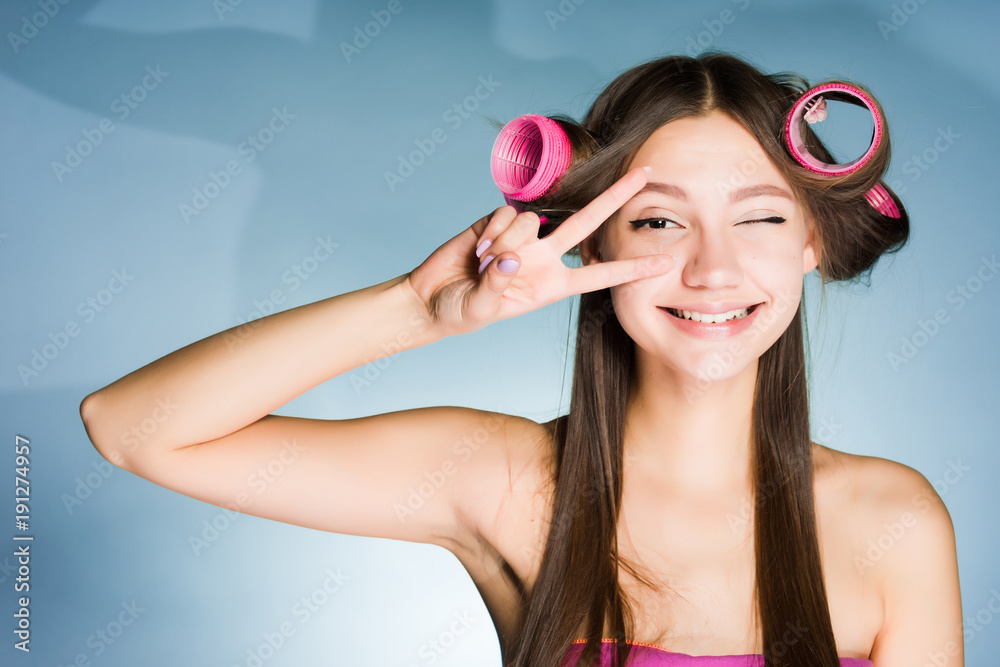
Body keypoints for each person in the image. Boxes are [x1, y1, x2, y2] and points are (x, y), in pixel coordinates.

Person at [79, 51, 963, 667]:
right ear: (589, 242)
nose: (713, 268)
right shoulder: (503, 479)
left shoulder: (895, 518)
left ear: (813, 240)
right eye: (659, 220)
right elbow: (132, 429)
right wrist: (415, 311)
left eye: (761, 217)